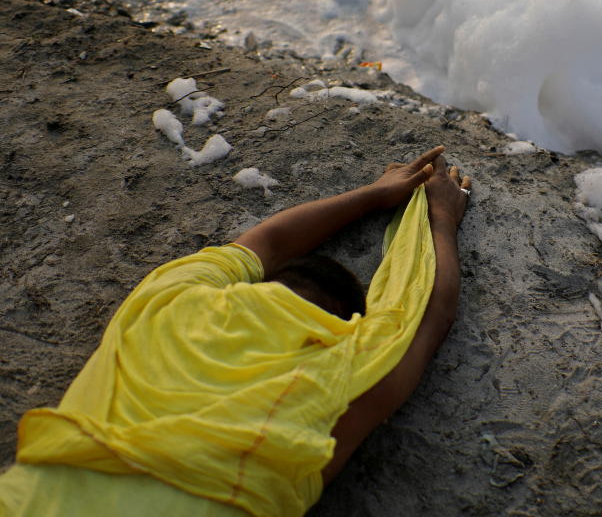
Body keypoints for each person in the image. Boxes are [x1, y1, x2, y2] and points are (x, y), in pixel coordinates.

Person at [0, 145, 471, 517]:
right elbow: (430, 316)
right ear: (343, 325)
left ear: (263, 285)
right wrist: (442, 218)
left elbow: (268, 240)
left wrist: (375, 193)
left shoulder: (167, 300)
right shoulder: (339, 367)